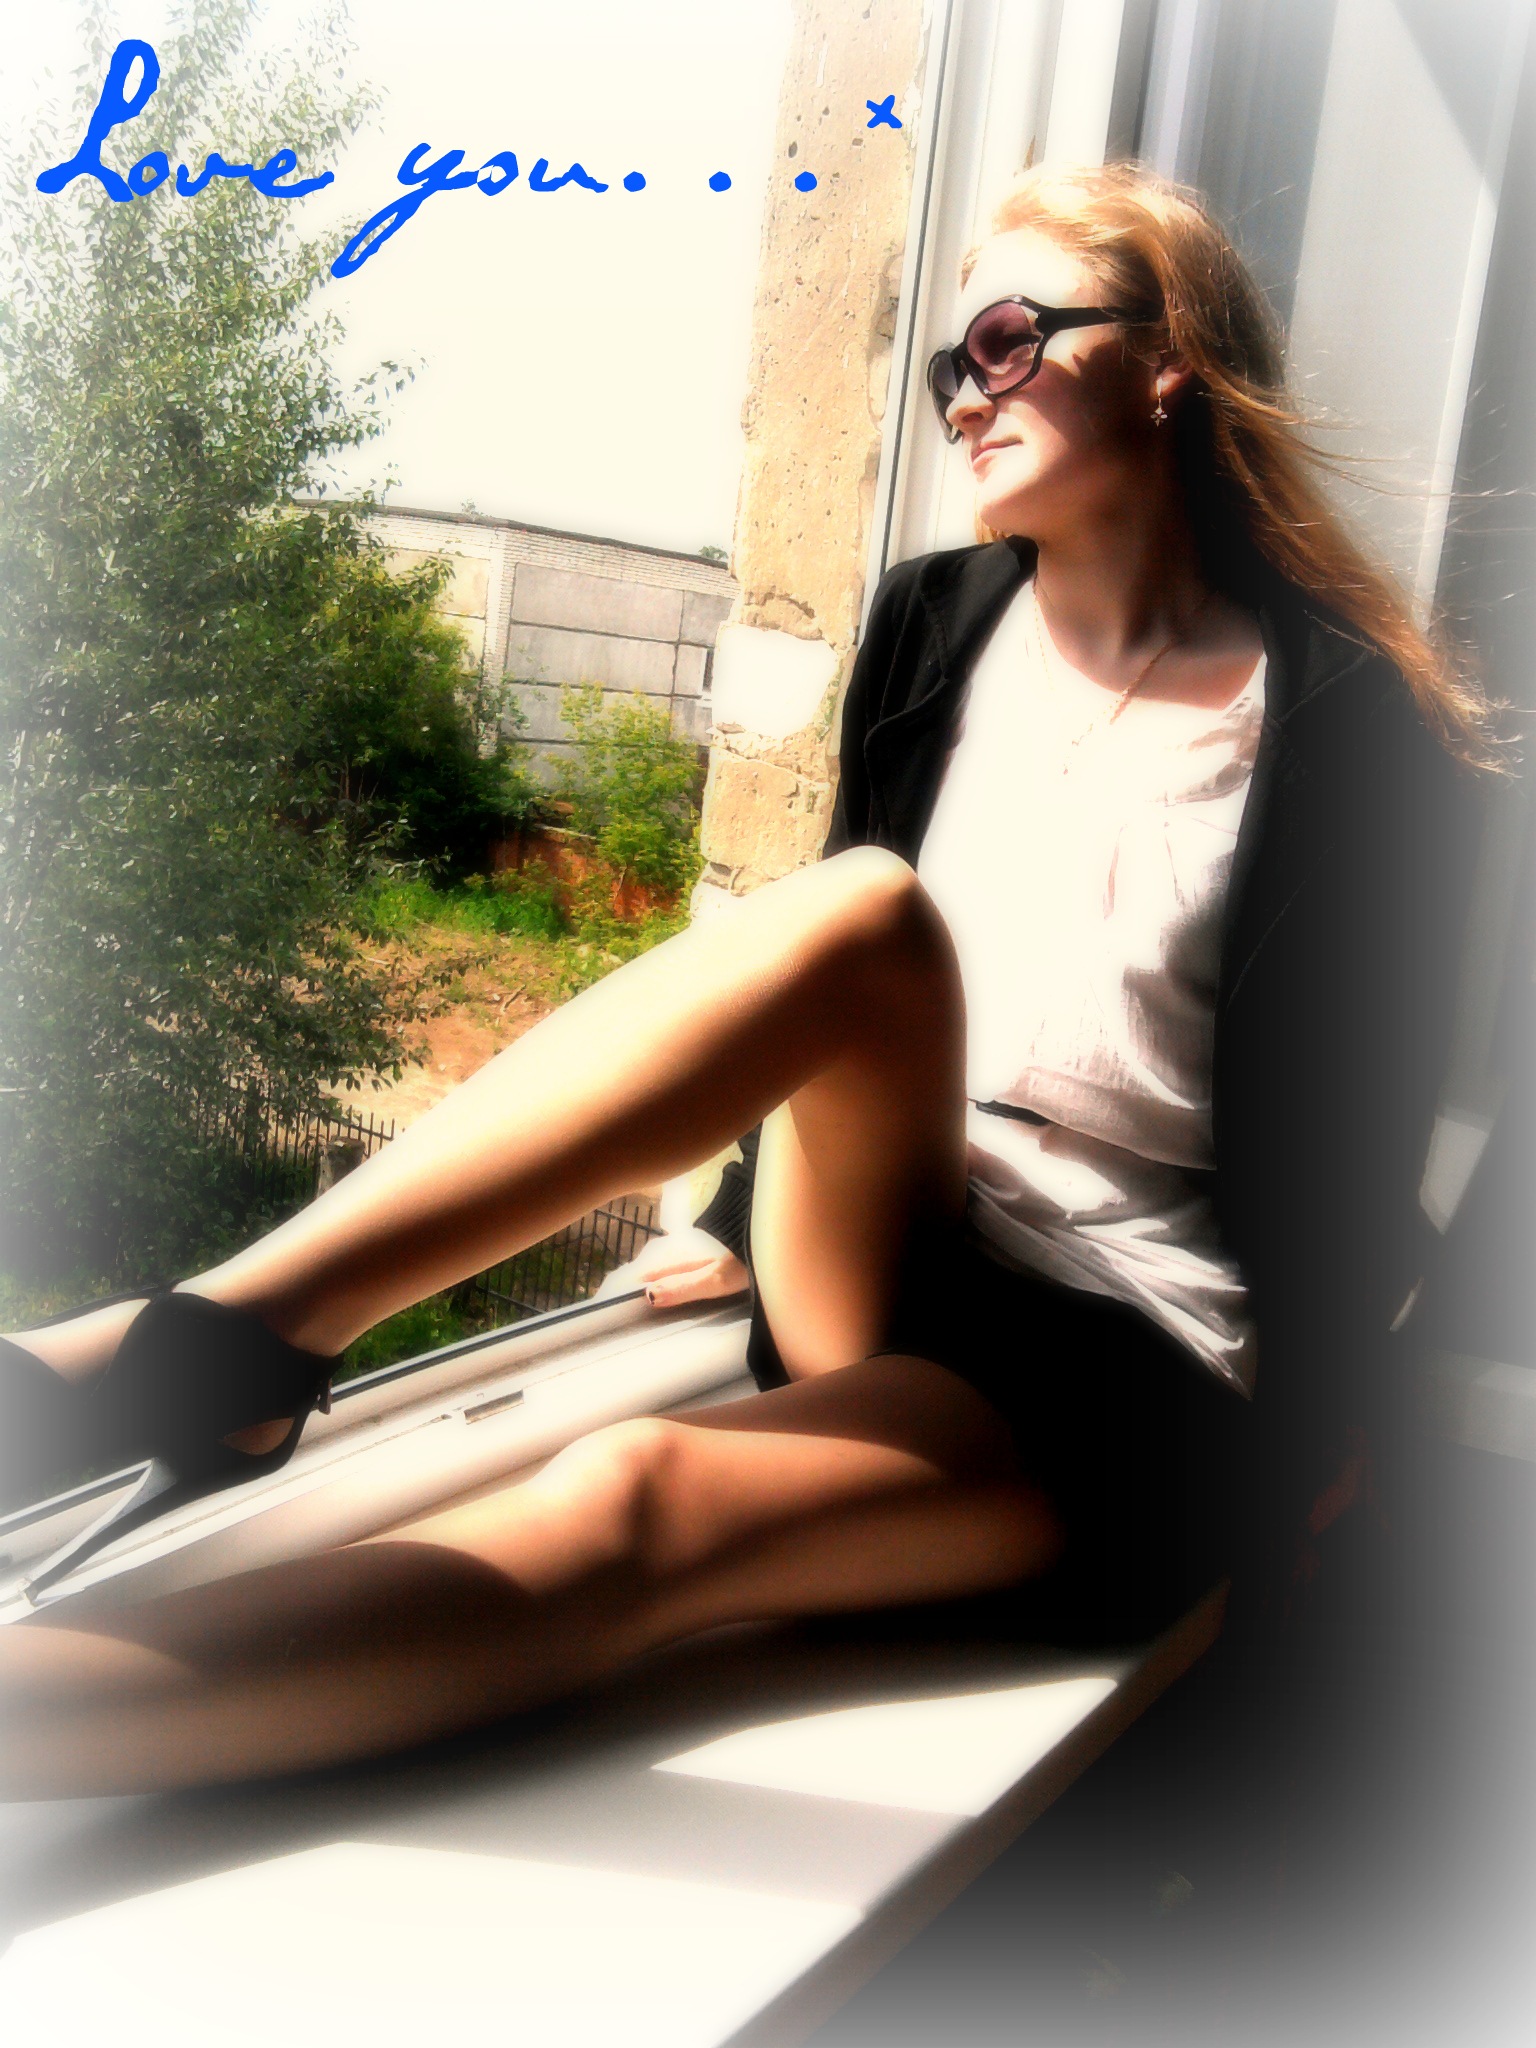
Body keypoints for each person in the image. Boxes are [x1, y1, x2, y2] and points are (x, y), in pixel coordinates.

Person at [0, 164, 1494, 1801]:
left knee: (631, 1495)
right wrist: (732, 1217)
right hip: (906, 1232)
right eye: (950, 366)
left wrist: (1319, 1462)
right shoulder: (935, 625)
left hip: (1130, 1357)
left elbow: (1355, 1153)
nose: (963, 395)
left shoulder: (1355, 728)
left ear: (1166, 359)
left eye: (1005, 341)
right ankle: (232, 1341)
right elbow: (827, 1007)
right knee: (864, 910)